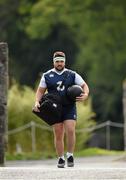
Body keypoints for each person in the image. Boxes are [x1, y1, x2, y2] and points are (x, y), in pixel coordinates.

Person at [33, 51, 89, 168]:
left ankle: (70, 155)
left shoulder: (72, 74)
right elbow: (40, 91)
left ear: (65, 62)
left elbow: (84, 85)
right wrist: (37, 102)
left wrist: (86, 94)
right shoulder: (47, 75)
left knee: (70, 130)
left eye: (61, 61)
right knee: (58, 133)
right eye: (57, 61)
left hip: (69, 107)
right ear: (54, 62)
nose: (59, 63)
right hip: (54, 108)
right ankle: (60, 158)